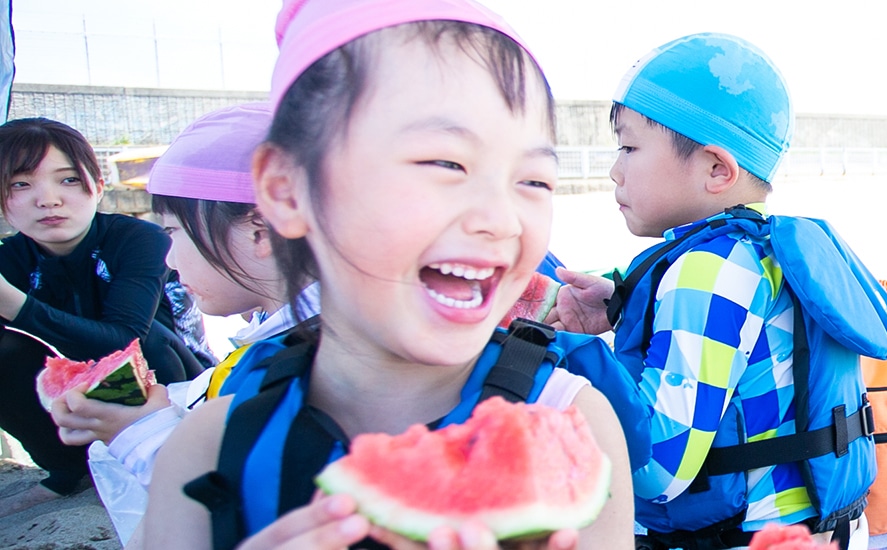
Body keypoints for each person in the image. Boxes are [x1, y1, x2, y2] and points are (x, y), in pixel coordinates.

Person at [140, 0, 633, 547]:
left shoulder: (570, 421)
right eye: (445, 163)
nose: (501, 219)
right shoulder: (207, 448)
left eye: (534, 180)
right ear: (287, 190)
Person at [547, 33, 887, 549]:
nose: (615, 170)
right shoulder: (760, 252)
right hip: (824, 532)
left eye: (629, 147)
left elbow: (657, 468)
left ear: (716, 169)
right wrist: (620, 307)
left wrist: (562, 358)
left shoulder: (707, 270)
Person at [45, 102, 317, 544]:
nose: (169, 261)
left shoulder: (310, 362)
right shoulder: (297, 336)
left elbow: (241, 508)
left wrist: (139, 432)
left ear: (260, 232)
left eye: (172, 232)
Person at [0, 117, 208, 518]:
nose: (48, 199)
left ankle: (171, 460)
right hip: (74, 409)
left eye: (68, 180)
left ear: (96, 186)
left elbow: (123, 340)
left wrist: (13, 303)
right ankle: (67, 469)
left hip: (177, 390)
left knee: (144, 339)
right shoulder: (10, 259)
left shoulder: (140, 239)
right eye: (21, 184)